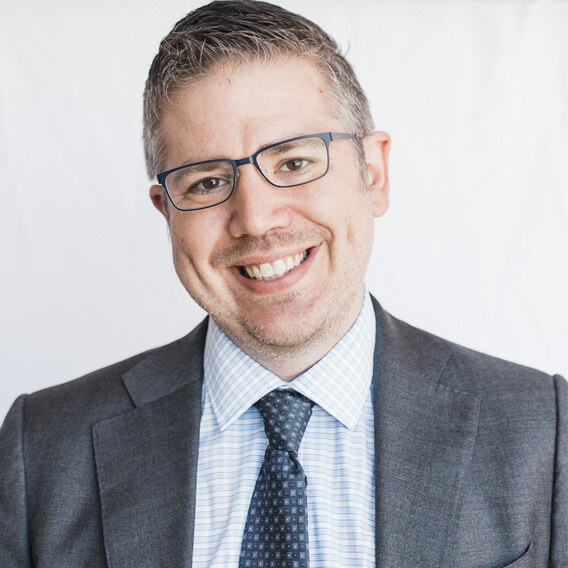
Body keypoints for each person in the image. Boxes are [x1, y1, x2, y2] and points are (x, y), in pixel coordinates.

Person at [0, 1, 565, 566]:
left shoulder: (544, 431)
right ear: (166, 211)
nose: (256, 219)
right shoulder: (42, 449)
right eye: (207, 181)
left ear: (373, 174)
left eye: (293, 163)